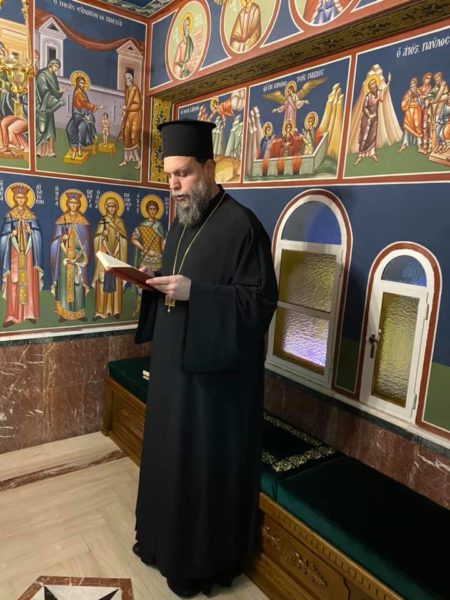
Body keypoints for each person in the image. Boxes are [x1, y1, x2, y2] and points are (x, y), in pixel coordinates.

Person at [132, 119, 278, 598]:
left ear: (210, 168)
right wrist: (152, 278)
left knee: (197, 468)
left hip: (213, 387)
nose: (174, 186)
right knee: (168, 459)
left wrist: (197, 292)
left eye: (184, 174)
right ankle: (160, 542)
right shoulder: (181, 222)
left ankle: (196, 563)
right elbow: (180, 278)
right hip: (173, 370)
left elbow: (259, 302)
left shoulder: (243, 226)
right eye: (169, 176)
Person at [0, 184, 43, 327]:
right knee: (14, 282)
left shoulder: (31, 216)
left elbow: (38, 234)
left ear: (26, 199)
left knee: (29, 282)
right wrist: (10, 234)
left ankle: (30, 313)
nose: (21, 200)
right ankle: (12, 315)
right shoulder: (10, 215)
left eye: (23, 198)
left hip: (28, 253)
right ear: (14, 198)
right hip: (14, 253)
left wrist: (32, 232)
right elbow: (3, 237)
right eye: (18, 197)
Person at [50, 191, 90, 321]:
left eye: (75, 203)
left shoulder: (83, 222)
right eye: (71, 202)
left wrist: (80, 253)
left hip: (78, 257)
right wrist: (62, 238)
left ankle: (79, 313)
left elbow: (86, 242)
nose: (73, 205)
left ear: (78, 205)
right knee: (63, 285)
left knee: (78, 284)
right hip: (64, 258)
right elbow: (54, 241)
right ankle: (64, 313)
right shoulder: (61, 220)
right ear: (67, 204)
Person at [92, 196, 128, 320]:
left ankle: (115, 310)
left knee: (116, 282)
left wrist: (120, 237)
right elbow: (96, 239)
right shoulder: (103, 221)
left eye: (113, 206)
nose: (111, 209)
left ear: (116, 208)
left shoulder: (120, 222)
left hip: (116, 256)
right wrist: (102, 236)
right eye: (109, 206)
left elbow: (124, 240)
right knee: (102, 283)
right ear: (106, 208)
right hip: (104, 256)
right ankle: (100, 311)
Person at [131, 198, 165, 316]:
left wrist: (161, 253)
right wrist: (143, 248)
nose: (152, 211)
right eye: (150, 209)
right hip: (146, 258)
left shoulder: (159, 226)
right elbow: (133, 238)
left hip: (158, 259)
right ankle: (139, 307)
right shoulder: (142, 225)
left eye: (154, 209)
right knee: (142, 284)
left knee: (157, 284)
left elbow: (163, 242)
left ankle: (156, 309)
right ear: (147, 210)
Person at [354, 72, 391, 165]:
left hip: (374, 117)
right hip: (367, 118)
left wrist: (389, 81)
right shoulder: (368, 96)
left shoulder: (378, 93)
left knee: (373, 135)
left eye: (374, 84)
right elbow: (364, 107)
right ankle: (360, 155)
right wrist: (369, 115)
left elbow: (384, 91)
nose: (373, 86)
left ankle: (372, 153)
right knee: (364, 136)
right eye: (371, 85)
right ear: (370, 87)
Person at [66, 74, 102, 159]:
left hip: (83, 115)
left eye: (83, 83)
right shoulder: (77, 92)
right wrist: (95, 107)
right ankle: (75, 149)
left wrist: (89, 111)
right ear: (78, 83)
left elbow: (86, 104)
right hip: (77, 115)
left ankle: (79, 149)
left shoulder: (83, 92)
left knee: (82, 127)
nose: (83, 85)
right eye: (81, 83)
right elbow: (84, 103)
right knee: (69, 129)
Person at [35, 58, 65, 157]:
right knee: (41, 128)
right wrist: (56, 97)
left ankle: (50, 151)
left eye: (58, 67)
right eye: (56, 66)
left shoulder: (53, 76)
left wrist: (59, 92)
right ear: (50, 64)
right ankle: (39, 150)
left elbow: (55, 91)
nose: (56, 69)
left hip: (49, 107)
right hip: (41, 106)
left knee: (50, 130)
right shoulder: (42, 75)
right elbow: (44, 91)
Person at [118, 73, 142, 169]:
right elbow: (127, 105)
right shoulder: (127, 90)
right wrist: (125, 111)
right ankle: (125, 160)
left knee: (133, 137)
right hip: (128, 116)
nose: (126, 80)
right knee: (126, 135)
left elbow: (138, 105)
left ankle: (139, 161)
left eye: (128, 78)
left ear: (131, 79)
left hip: (135, 116)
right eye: (125, 78)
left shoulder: (135, 89)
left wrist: (127, 108)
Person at [397, 77, 425, 154]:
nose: (412, 85)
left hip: (417, 111)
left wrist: (419, 99)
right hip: (409, 112)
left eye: (413, 83)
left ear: (416, 84)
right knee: (407, 127)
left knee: (418, 127)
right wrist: (408, 101)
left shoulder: (418, 90)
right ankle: (404, 144)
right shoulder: (408, 92)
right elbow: (404, 101)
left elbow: (422, 99)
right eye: (411, 84)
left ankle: (419, 146)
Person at [173, 13, 194, 78]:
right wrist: (184, 66)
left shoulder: (191, 41)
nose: (187, 27)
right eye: (186, 26)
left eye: (189, 25)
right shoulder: (181, 45)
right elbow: (176, 63)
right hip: (183, 68)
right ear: (183, 28)